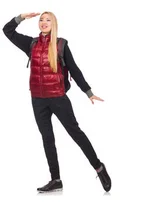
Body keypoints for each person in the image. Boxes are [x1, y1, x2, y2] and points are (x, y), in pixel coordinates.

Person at [3, 12, 112, 192]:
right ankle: (56, 180)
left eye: (48, 20)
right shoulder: (31, 44)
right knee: (47, 139)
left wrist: (88, 92)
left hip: (58, 98)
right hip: (38, 100)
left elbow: (74, 70)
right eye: (41, 20)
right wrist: (21, 17)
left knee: (76, 134)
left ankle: (99, 168)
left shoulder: (61, 44)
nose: (44, 22)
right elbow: (7, 30)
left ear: (54, 24)